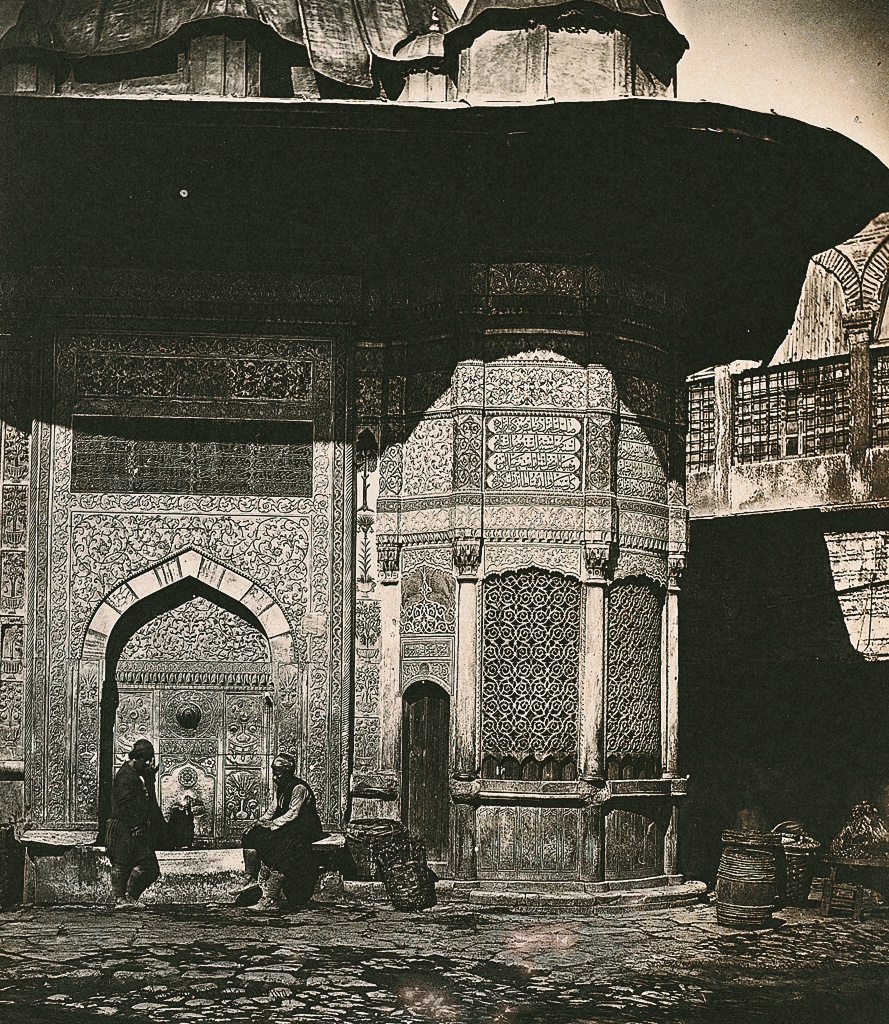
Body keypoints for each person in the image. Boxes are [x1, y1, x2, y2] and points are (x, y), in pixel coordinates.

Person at [235, 754, 323, 912]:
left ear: (288, 773)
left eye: (278, 774)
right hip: (288, 826)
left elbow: (293, 813)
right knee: (251, 834)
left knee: (284, 848)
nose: (275, 778)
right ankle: (250, 878)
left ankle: (271, 899)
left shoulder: (299, 788)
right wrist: (258, 822)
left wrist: (273, 824)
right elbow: (273, 809)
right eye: (274, 773)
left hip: (305, 829)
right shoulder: (282, 787)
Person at [104, 739, 163, 906]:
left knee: (149, 866)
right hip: (124, 827)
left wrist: (150, 777)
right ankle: (120, 899)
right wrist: (135, 825)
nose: (148, 763)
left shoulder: (138, 774)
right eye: (145, 760)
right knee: (121, 863)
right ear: (136, 758)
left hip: (134, 827)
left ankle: (129, 897)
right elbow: (124, 805)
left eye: (150, 759)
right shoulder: (125, 776)